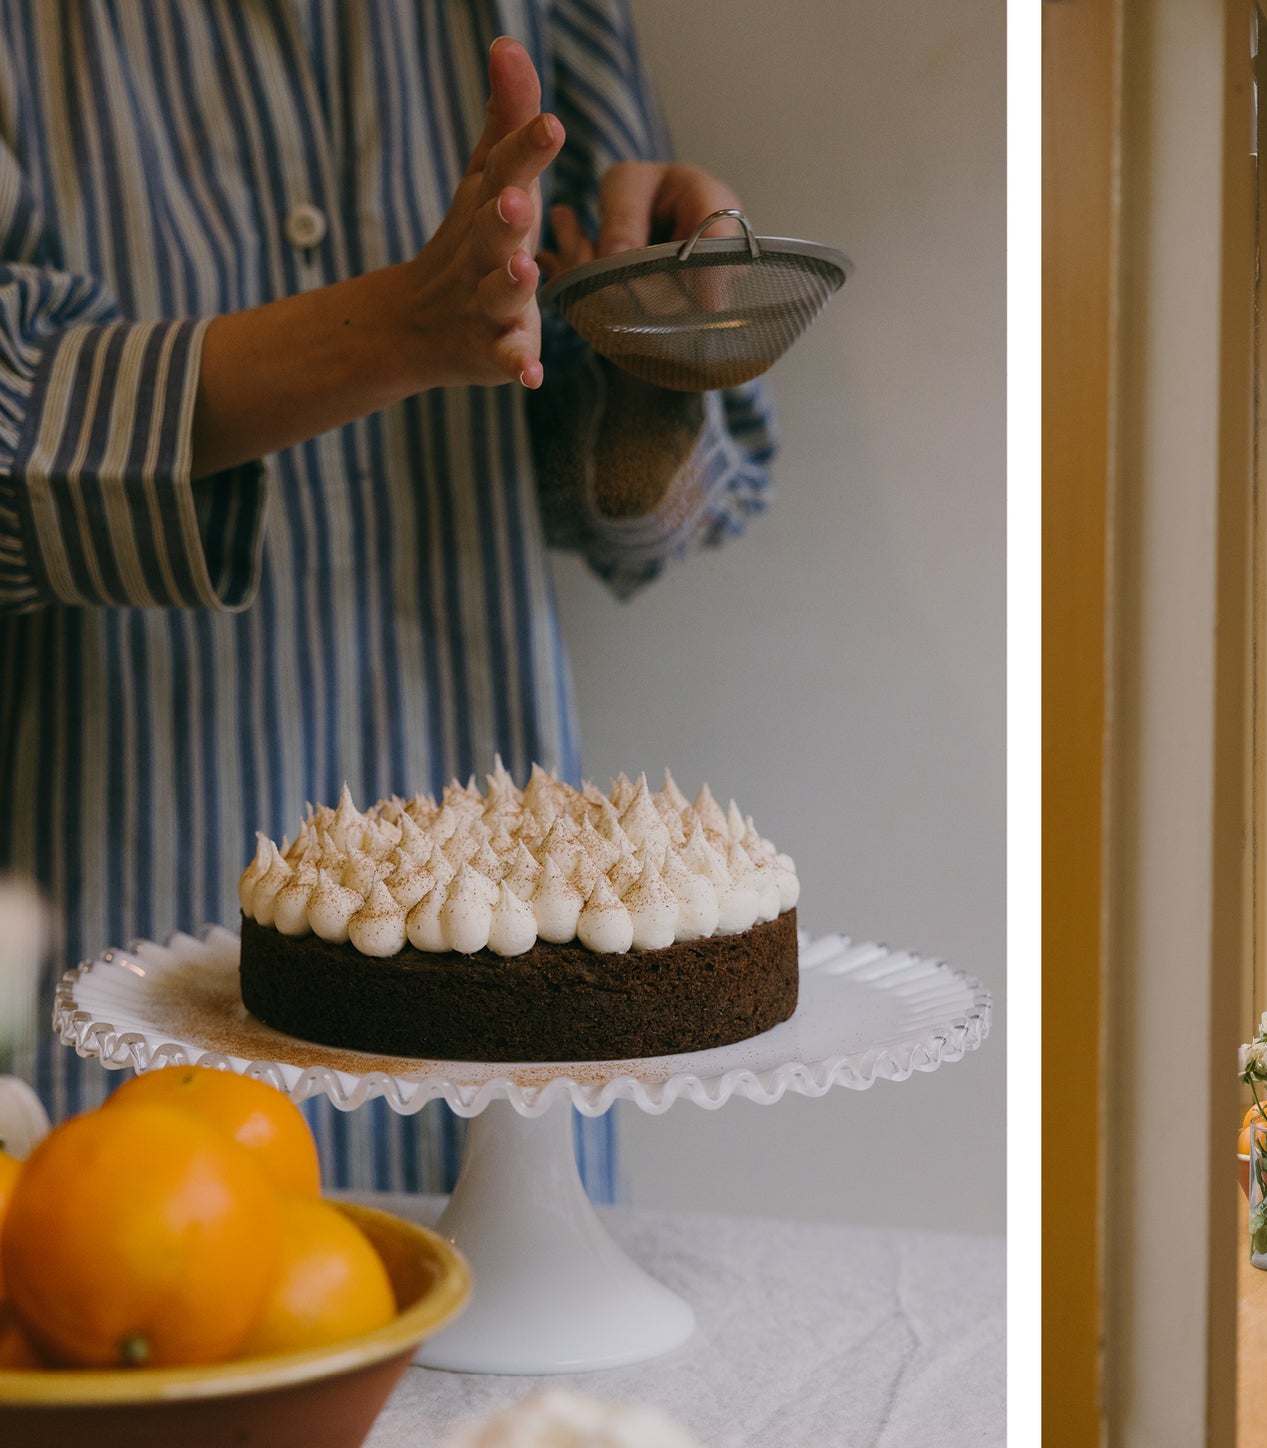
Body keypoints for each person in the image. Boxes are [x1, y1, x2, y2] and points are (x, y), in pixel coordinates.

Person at [0, 5, 773, 1200]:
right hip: (108, 940)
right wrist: (392, 331)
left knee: (513, 1359)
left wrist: (659, 356)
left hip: (519, 1027)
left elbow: (637, 516)